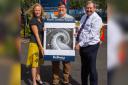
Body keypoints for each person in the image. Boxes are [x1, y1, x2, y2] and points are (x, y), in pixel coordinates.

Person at [75, 1, 103, 85]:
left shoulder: (97, 19)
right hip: (83, 46)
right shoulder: (84, 16)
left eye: (91, 8)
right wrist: (75, 32)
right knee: (84, 68)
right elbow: (80, 27)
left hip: (91, 46)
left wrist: (80, 44)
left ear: (94, 8)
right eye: (87, 8)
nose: (89, 9)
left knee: (91, 68)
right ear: (85, 8)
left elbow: (91, 35)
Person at [51, 2, 74, 85]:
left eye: (62, 7)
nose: (61, 9)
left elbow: (74, 30)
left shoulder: (70, 18)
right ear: (58, 9)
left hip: (67, 45)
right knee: (55, 64)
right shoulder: (53, 17)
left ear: (66, 9)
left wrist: (75, 33)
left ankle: (66, 81)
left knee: (66, 65)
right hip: (55, 45)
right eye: (59, 7)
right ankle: (55, 81)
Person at [26, 3, 45, 85]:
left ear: (41, 11)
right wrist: (41, 47)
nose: (37, 11)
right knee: (34, 64)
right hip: (35, 45)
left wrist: (44, 29)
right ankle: (34, 82)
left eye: (39, 10)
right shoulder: (33, 20)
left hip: (40, 44)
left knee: (39, 63)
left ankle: (38, 78)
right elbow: (37, 35)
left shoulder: (41, 20)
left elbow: (42, 31)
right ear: (33, 11)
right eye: (36, 10)